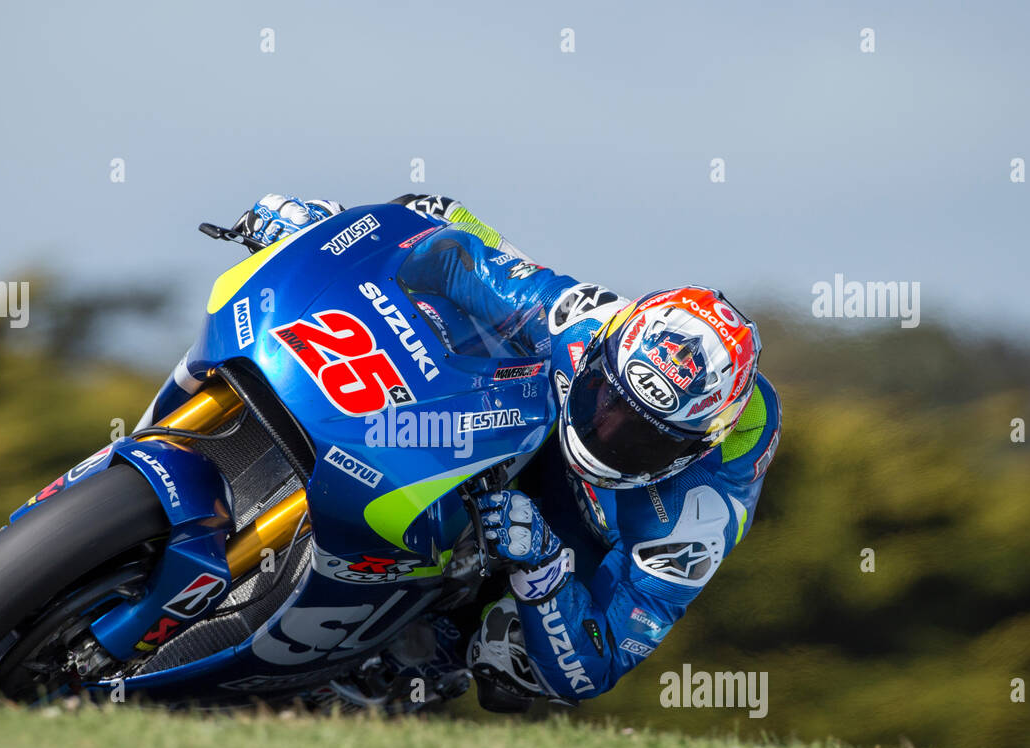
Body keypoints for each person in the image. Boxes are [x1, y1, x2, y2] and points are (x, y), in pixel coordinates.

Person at [229, 194, 783, 712]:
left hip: (590, 534)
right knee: (429, 210)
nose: (607, 429)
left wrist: (544, 568)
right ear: (603, 349)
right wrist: (331, 232)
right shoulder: (586, 322)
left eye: (640, 437)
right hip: (529, 424)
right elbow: (455, 255)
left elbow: (599, 665)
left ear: (693, 447)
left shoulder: (699, 513)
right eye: (604, 398)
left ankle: (424, 651)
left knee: (509, 654)